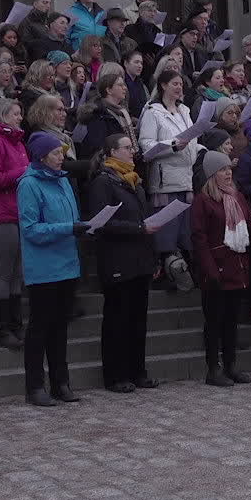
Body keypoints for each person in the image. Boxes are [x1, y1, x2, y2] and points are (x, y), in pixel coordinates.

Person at [87, 134, 160, 393]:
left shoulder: (134, 182)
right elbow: (101, 223)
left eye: (133, 147)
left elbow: (145, 219)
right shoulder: (103, 182)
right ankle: (115, 375)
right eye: (127, 148)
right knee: (118, 319)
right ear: (112, 152)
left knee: (138, 320)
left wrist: (152, 254)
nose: (133, 152)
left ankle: (137, 371)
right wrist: (139, 228)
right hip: (117, 259)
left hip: (140, 260)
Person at [18, 132, 84, 406]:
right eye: (57, 153)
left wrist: (82, 228)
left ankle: (61, 382)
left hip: (67, 264)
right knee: (40, 328)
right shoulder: (28, 184)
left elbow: (72, 218)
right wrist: (69, 228)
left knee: (60, 327)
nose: (62, 158)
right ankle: (35, 386)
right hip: (44, 268)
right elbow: (31, 229)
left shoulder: (64, 182)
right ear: (42, 157)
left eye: (62, 152)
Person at [190, 151, 251, 387]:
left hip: (236, 265)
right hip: (216, 269)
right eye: (222, 170)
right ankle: (213, 368)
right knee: (214, 321)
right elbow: (199, 238)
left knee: (232, 320)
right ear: (211, 175)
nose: (228, 173)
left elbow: (249, 223)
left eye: (229, 169)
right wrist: (210, 270)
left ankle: (231, 365)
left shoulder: (237, 197)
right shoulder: (203, 200)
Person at [139, 70, 202, 271]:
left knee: (184, 227)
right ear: (163, 86)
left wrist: (202, 150)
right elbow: (146, 145)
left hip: (186, 176)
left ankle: (182, 267)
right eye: (175, 83)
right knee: (168, 227)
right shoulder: (152, 112)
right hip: (165, 179)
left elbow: (192, 140)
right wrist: (173, 144)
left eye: (181, 84)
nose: (179, 87)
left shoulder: (184, 110)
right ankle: (167, 266)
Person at [0, 98, 29, 349]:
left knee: (17, 273)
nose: (20, 117)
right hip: (2, 214)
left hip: (20, 212)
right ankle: (3, 329)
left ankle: (16, 324)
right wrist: (24, 171)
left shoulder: (18, 142)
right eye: (15, 113)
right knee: (4, 271)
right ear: (3, 115)